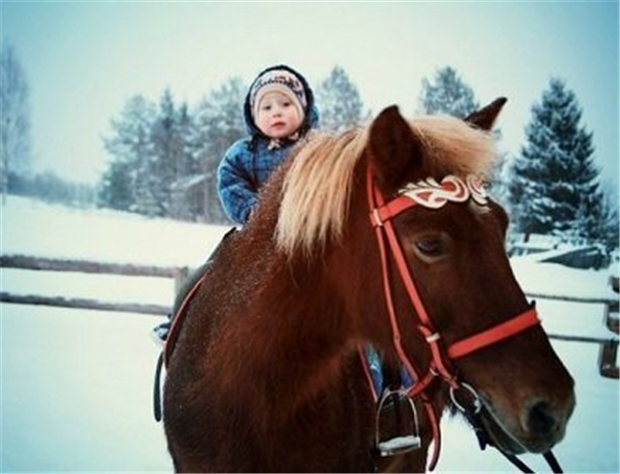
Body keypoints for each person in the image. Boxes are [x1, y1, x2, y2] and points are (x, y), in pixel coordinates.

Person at [152, 64, 319, 343]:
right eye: (266, 107)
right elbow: (230, 183)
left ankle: (380, 360)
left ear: (304, 109)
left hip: (308, 234)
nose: (276, 111)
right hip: (256, 231)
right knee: (213, 270)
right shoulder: (243, 152)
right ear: (253, 116)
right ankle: (179, 322)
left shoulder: (316, 149)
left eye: (286, 103)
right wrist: (254, 212)